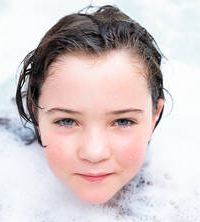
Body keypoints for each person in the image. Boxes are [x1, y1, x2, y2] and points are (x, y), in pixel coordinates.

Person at [16, 5, 165, 204]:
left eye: (122, 121)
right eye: (67, 121)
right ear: (35, 115)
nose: (94, 153)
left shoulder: (180, 203)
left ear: (154, 117)